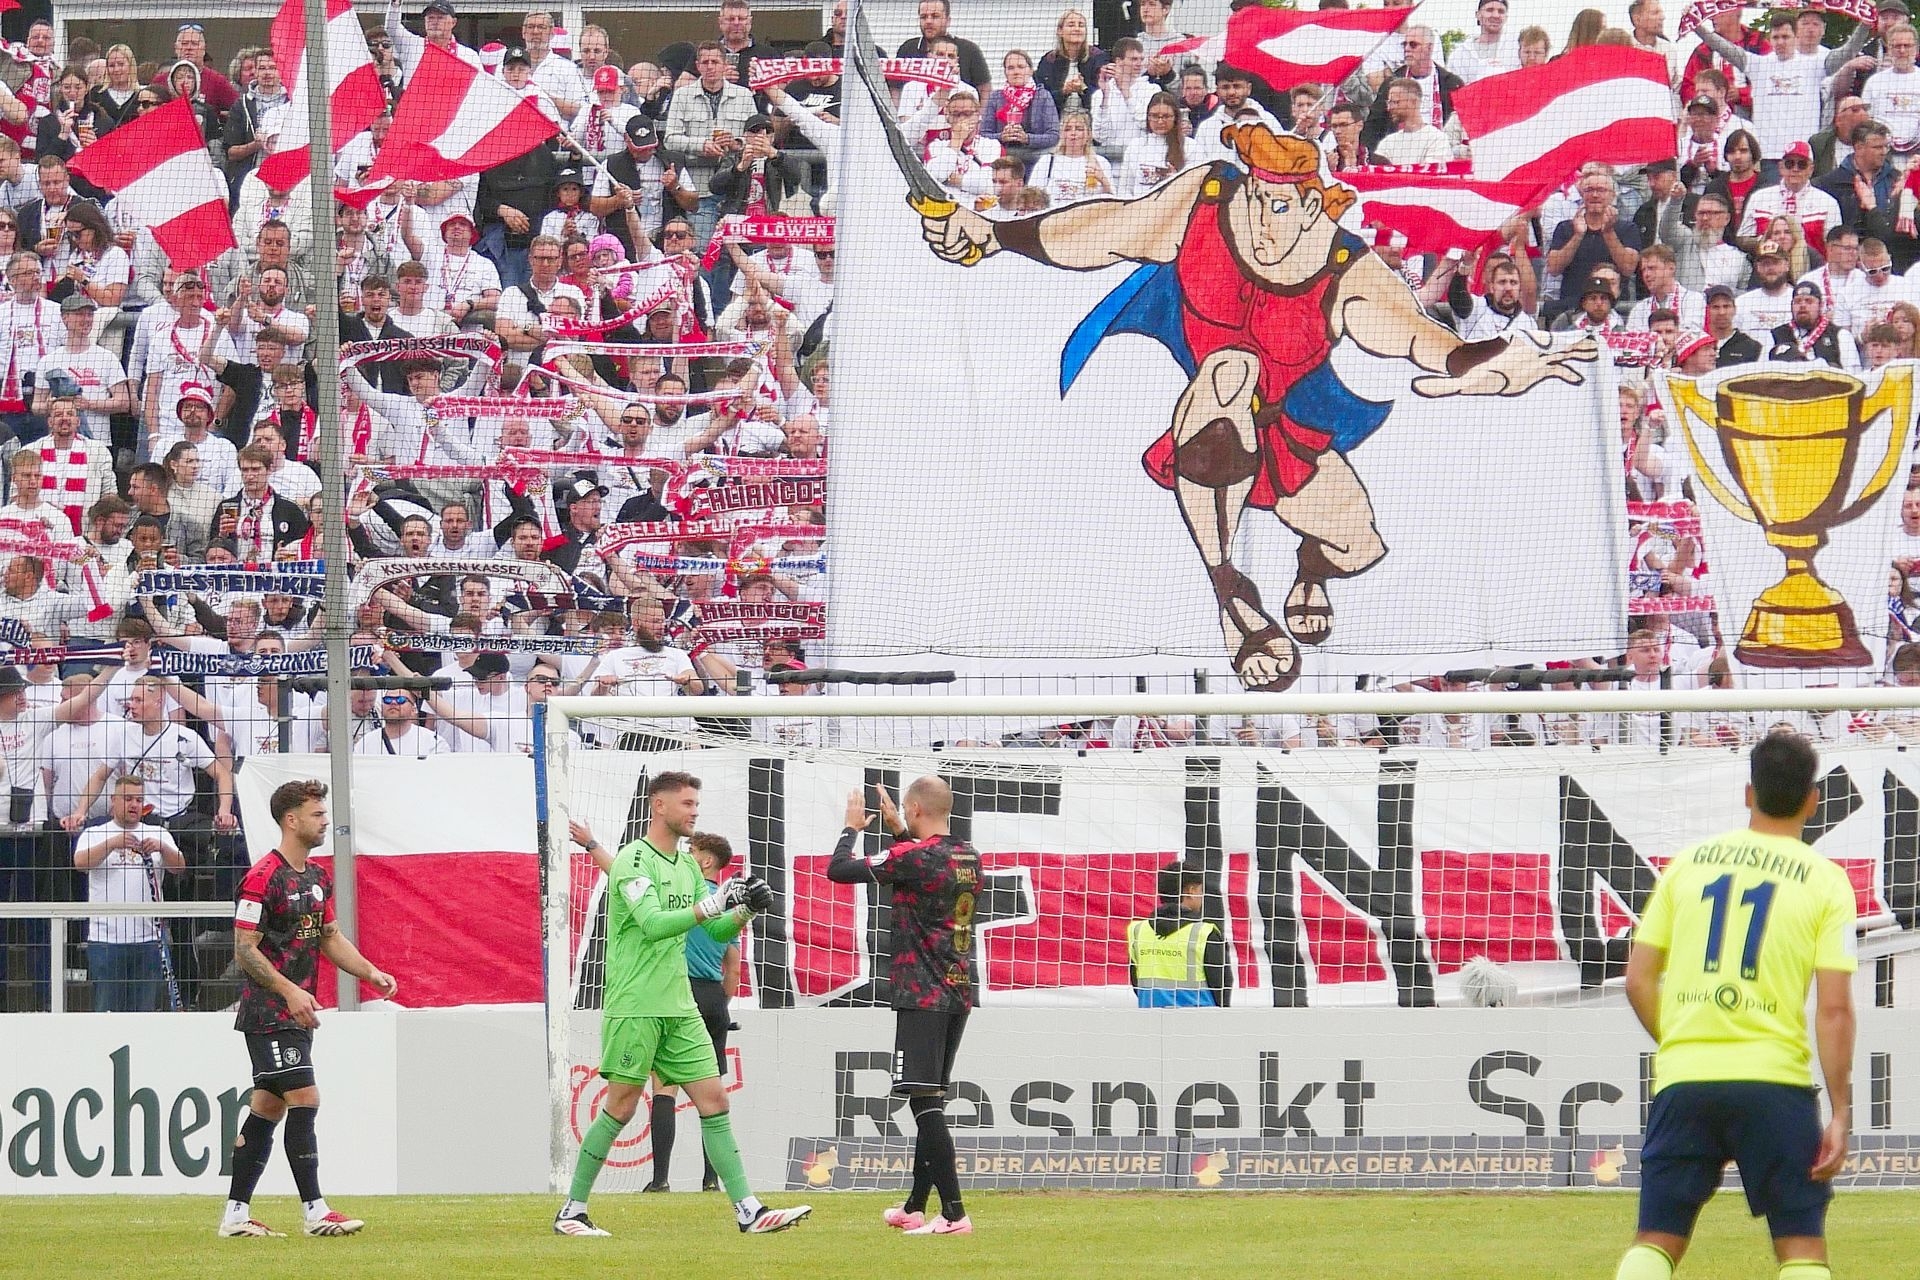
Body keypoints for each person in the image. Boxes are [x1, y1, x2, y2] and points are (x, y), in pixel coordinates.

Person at [919, 124, 1592, 690]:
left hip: (1286, 433)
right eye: (1259, 202)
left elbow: (1421, 339)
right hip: (1209, 417)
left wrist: (1486, 361)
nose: (1266, 223)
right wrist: (993, 234)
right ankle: (1231, 592)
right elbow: (1109, 230)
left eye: (1283, 208)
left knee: (1358, 546)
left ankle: (1310, 572)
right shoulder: (1207, 197)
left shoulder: (1347, 270)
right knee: (1230, 370)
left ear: (1314, 207)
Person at [1612, 732, 1856, 1280]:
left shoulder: (1688, 865)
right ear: (1812, 800)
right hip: (1774, 1081)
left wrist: (1684, 1043)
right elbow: (1835, 1009)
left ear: (1749, 793)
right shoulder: (1827, 881)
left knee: (1656, 1239)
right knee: (1801, 1246)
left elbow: (1638, 979)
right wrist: (1840, 1112)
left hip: (1686, 1079)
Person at [553, 770, 805, 1238]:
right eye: (687, 803)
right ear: (659, 806)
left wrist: (745, 910)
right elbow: (652, 924)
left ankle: (748, 1209)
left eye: (696, 804)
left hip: (680, 1006)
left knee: (714, 1099)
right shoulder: (633, 860)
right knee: (621, 1107)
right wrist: (713, 905)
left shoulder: (688, 867)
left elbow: (713, 931)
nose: (694, 812)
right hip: (637, 1006)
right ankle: (572, 1210)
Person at [221, 779, 398, 1239]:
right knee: (305, 1097)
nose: (324, 821)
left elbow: (329, 936)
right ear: (291, 819)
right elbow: (244, 947)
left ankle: (235, 1216)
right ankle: (315, 1211)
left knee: (267, 1107)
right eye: (316, 814)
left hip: (297, 1013)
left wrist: (370, 972)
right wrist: (289, 992)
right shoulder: (262, 877)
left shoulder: (316, 877)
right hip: (269, 1013)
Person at [831, 777, 979, 1236]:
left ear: (914, 808)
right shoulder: (967, 855)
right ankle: (915, 1206)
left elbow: (839, 870)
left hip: (921, 992)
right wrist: (898, 830)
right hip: (957, 990)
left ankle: (953, 1214)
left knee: (924, 1103)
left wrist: (851, 828)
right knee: (928, 1097)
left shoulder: (915, 857)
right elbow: (920, 865)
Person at [575, 825, 739, 1194]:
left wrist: (592, 845)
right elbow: (733, 966)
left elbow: (654, 913)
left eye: (695, 850)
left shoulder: (689, 883)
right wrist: (723, 1006)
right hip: (703, 998)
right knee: (687, 1099)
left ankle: (667, 1180)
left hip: (679, 995)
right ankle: (710, 1181)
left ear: (705, 861)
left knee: (675, 1092)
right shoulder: (709, 893)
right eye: (688, 803)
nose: (694, 812)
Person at [74, 774, 184, 1012]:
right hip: (105, 939)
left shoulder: (158, 833)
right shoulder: (95, 833)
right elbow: (80, 863)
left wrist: (162, 848)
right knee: (106, 1011)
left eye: (139, 799)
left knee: (143, 1012)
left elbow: (179, 867)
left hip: (149, 939)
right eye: (128, 799)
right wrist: (111, 844)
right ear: (113, 800)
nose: (134, 805)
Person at [1127, 860, 1229, 1007]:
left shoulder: (1138, 931)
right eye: (1200, 891)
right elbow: (1221, 987)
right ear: (1191, 891)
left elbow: (1136, 981)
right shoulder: (1205, 933)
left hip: (1151, 1017)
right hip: (1200, 1019)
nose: (1201, 897)